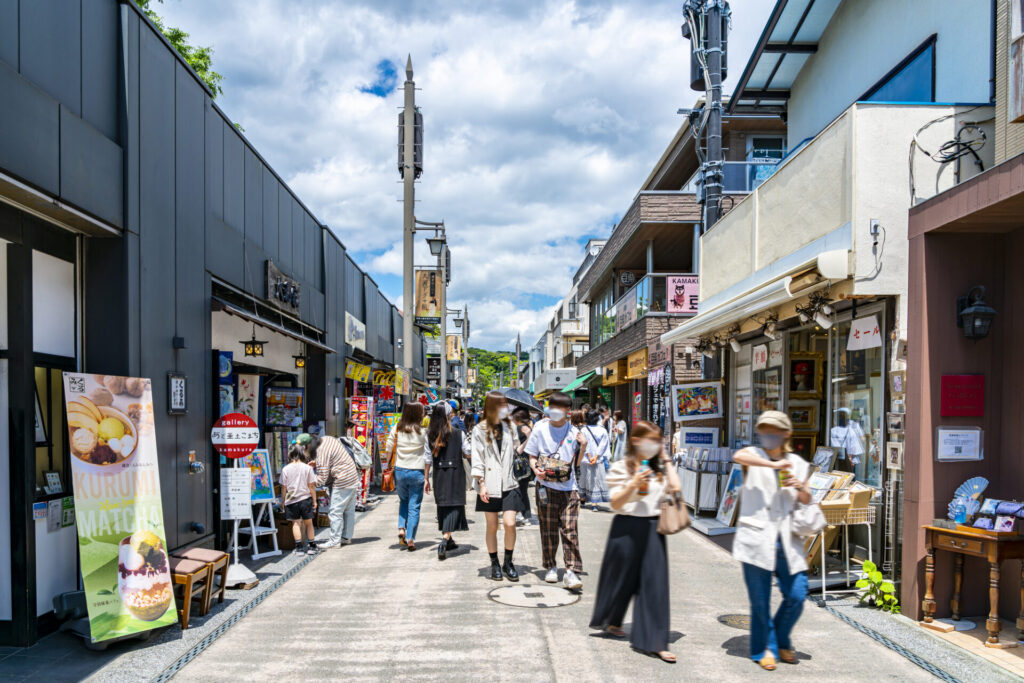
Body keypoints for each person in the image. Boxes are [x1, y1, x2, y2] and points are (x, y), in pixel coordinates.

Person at [590, 421, 682, 663]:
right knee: (622, 580)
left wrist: (666, 459)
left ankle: (655, 641)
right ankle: (612, 620)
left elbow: (677, 488)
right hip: (626, 527)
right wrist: (633, 483)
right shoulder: (621, 467)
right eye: (651, 440)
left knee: (655, 585)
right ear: (636, 441)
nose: (654, 445)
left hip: (654, 527)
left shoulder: (660, 467)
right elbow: (616, 503)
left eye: (658, 441)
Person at [732, 411, 812, 671]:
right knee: (760, 600)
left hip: (787, 539)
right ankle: (763, 648)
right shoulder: (753, 455)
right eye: (764, 429)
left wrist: (799, 486)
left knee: (797, 595)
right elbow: (737, 456)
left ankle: (780, 638)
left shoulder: (798, 462)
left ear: (786, 433)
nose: (768, 434)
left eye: (774, 429)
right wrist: (772, 465)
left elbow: (808, 498)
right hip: (756, 537)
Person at [525, 391, 587, 590]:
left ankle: (571, 571)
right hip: (545, 486)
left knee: (570, 529)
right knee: (548, 528)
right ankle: (550, 566)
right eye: (552, 407)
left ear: (568, 411)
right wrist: (536, 470)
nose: (555, 411)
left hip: (569, 488)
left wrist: (583, 446)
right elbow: (532, 455)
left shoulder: (574, 433)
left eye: (559, 408)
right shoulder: (540, 429)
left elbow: (576, 464)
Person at [471, 391, 525, 581]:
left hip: (510, 482)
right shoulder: (479, 429)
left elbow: (517, 451)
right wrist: (481, 483)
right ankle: (494, 563)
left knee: (510, 523)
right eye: (502, 404)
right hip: (489, 483)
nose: (506, 408)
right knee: (492, 526)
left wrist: (528, 439)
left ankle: (508, 562)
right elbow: (477, 458)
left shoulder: (510, 427)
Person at [424, 402, 470, 560]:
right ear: (449, 415)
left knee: (443, 507)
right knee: (454, 506)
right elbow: (467, 452)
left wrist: (426, 479)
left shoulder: (429, 434)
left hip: (439, 475)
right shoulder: (458, 433)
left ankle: (449, 540)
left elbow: (427, 458)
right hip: (456, 474)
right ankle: (444, 541)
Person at [302, 433, 359, 549]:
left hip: (342, 480)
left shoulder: (320, 451)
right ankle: (346, 537)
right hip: (352, 477)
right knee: (348, 510)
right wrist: (317, 464)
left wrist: (308, 485)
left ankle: (334, 541)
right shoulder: (326, 439)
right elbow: (333, 458)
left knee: (335, 512)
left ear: (309, 446)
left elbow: (322, 477)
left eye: (304, 448)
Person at [386, 402, 429, 551]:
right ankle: (410, 538)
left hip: (400, 470)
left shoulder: (397, 429)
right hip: (417, 471)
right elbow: (429, 452)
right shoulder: (423, 432)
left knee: (403, 501)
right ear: (418, 414)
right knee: (414, 506)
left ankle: (401, 528)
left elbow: (389, 448)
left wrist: (387, 465)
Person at [279, 445, 318, 555]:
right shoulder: (308, 468)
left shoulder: (285, 469)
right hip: (306, 499)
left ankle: (299, 548)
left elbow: (284, 487)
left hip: (291, 500)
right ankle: (311, 546)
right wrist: (314, 501)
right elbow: (311, 486)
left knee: (295, 523)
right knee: (309, 523)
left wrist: (283, 501)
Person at [578, 409, 611, 510]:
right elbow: (603, 444)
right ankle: (594, 504)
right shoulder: (602, 430)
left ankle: (582, 499)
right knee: (596, 479)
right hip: (598, 460)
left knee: (584, 478)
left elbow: (583, 444)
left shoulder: (583, 430)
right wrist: (596, 456)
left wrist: (589, 456)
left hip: (585, 459)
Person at [511, 408, 534, 526]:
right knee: (522, 490)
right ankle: (525, 515)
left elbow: (519, 449)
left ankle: (521, 515)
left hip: (519, 463)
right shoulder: (526, 428)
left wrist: (527, 438)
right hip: (525, 463)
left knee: (519, 490)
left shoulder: (521, 429)